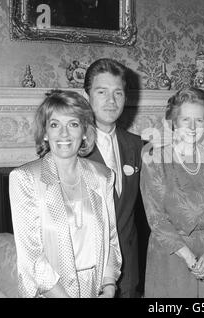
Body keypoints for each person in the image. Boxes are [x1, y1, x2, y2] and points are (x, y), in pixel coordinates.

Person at [9, 90, 122, 298]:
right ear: (44, 133)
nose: (64, 134)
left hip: (96, 287)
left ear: (85, 132)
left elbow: (111, 238)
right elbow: (32, 257)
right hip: (51, 292)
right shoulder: (25, 178)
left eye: (73, 124)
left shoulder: (102, 176)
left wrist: (109, 285)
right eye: (54, 125)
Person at [140, 87, 204, 298]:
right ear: (174, 122)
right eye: (185, 120)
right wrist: (191, 259)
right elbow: (157, 219)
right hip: (172, 258)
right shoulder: (155, 159)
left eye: (199, 120)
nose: (192, 127)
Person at [84, 58, 144, 298]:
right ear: (86, 95)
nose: (111, 101)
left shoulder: (136, 145)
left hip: (128, 271)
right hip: (87, 269)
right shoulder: (71, 146)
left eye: (117, 93)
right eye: (102, 92)